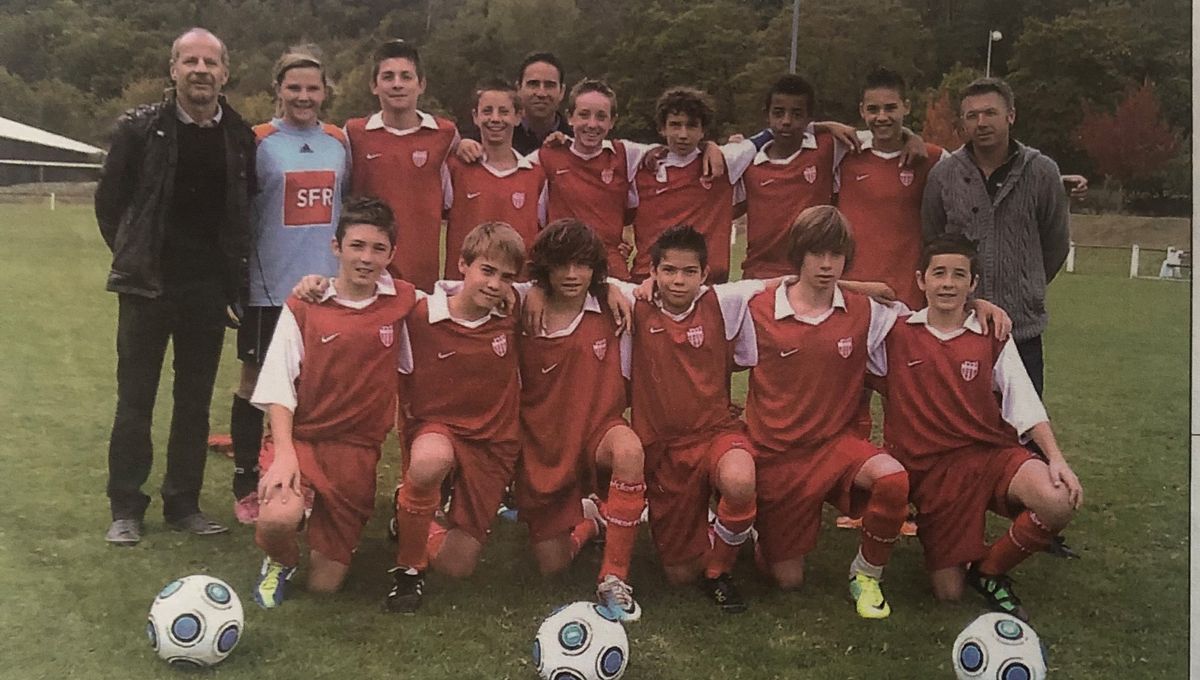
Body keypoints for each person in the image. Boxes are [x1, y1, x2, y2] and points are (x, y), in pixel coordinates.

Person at [95, 27, 256, 545]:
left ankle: (183, 504)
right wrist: (135, 256)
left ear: (225, 73)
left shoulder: (239, 134)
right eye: (191, 61)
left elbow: (243, 208)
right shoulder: (139, 128)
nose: (201, 70)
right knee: (135, 399)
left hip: (206, 290)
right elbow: (110, 205)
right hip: (147, 288)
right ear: (173, 70)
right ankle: (126, 507)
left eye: (211, 62)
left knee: (193, 402)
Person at [868, 233, 1083, 621]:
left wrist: (1057, 459)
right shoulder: (894, 332)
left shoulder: (992, 334)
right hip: (934, 475)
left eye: (958, 275)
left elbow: (1025, 402)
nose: (948, 283)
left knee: (1057, 498)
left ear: (973, 284)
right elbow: (829, 293)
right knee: (948, 593)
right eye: (939, 274)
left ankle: (989, 570)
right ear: (921, 280)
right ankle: (962, 559)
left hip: (990, 456)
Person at [736, 206, 911, 619]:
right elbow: (696, 298)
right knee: (786, 579)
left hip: (836, 447)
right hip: (777, 455)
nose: (827, 264)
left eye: (836, 255)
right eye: (817, 253)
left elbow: (932, 320)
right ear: (798, 254)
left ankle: (867, 574)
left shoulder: (864, 311)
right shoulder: (755, 307)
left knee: (893, 479)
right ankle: (754, 521)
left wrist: (978, 305)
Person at [249, 197, 417, 608]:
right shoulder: (305, 305)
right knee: (277, 518)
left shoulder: (403, 301)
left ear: (392, 254)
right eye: (357, 245)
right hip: (302, 440)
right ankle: (281, 560)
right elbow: (277, 388)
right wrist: (286, 454)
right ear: (336, 247)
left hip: (356, 452)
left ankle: (318, 521)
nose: (366, 258)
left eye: (378, 249)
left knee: (326, 585)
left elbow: (458, 299)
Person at [228, 46, 349, 524]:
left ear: (325, 92)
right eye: (293, 87)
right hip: (269, 287)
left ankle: (307, 480)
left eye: (312, 88)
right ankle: (244, 479)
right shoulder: (257, 140)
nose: (303, 96)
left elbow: (348, 206)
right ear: (277, 90)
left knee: (314, 388)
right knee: (256, 383)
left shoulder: (339, 142)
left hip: (323, 288)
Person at [387, 222, 527, 613]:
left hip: (493, 443)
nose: (496, 284)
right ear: (462, 265)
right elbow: (363, 293)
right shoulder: (417, 313)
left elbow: (570, 292)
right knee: (431, 459)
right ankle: (408, 571)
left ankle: (413, 515)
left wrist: (617, 289)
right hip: (437, 430)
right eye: (487, 270)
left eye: (507, 277)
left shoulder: (513, 316)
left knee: (457, 565)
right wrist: (315, 285)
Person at [623, 225, 762, 612]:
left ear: (705, 274)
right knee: (679, 575)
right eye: (668, 270)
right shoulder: (633, 303)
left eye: (688, 272)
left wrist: (871, 289)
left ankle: (719, 571)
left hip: (715, 433)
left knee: (739, 479)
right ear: (652, 271)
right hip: (665, 450)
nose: (678, 280)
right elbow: (587, 284)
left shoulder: (725, 300)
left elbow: (790, 282)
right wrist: (626, 291)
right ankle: (725, 530)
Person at [513, 219, 646, 620]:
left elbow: (685, 288)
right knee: (552, 567)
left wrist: (615, 287)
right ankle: (592, 523)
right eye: (561, 265)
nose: (572, 275)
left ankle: (614, 576)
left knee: (629, 450)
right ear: (544, 268)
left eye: (583, 265)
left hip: (597, 429)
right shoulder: (519, 302)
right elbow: (448, 291)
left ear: (595, 270)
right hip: (543, 445)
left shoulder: (611, 303)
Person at [921, 77, 1070, 397]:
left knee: (1024, 434)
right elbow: (932, 241)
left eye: (990, 113)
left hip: (1021, 332)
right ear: (962, 122)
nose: (981, 122)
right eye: (972, 115)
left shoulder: (1042, 172)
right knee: (958, 432)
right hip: (960, 328)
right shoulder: (944, 175)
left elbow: (1055, 243)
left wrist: (1026, 284)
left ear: (1011, 116)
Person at [344, 39, 458, 292]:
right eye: (388, 77)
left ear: (421, 84)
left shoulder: (445, 134)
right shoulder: (354, 134)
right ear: (374, 85)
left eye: (406, 76)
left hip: (422, 276)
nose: (397, 84)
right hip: (367, 270)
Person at [630, 88, 756, 284]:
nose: (683, 134)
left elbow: (773, 135)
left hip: (707, 286)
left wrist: (712, 146)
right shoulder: (641, 165)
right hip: (648, 284)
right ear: (662, 128)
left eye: (691, 126)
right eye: (675, 125)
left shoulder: (723, 163)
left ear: (702, 130)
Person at [443, 78, 547, 280]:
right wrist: (458, 144)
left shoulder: (536, 175)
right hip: (463, 291)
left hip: (516, 291)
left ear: (518, 116)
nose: (495, 118)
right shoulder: (455, 168)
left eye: (504, 112)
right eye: (487, 111)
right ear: (475, 116)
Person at [461, 52, 572, 155]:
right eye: (533, 84)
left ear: (562, 91)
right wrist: (460, 146)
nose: (541, 93)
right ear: (518, 88)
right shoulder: (480, 139)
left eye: (549, 85)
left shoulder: (575, 141)